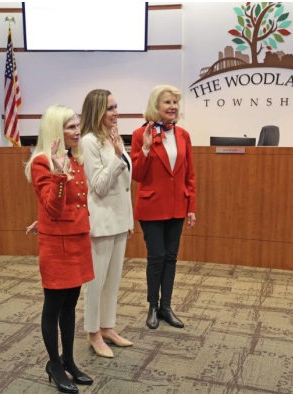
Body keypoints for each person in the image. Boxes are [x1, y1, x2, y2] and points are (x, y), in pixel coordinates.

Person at [24, 105, 94, 393]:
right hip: (57, 244)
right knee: (53, 307)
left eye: (77, 126)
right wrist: (59, 174)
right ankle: (54, 363)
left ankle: (69, 360)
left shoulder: (73, 158)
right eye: (70, 127)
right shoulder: (43, 162)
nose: (77, 131)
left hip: (77, 238)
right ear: (56, 130)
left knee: (70, 305)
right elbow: (53, 207)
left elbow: (75, 203)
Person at [130, 85, 196, 330]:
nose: (172, 107)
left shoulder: (183, 135)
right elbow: (137, 174)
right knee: (156, 258)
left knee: (171, 257)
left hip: (178, 205)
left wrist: (191, 206)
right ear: (155, 106)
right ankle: (152, 307)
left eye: (175, 103)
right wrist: (146, 148)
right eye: (167, 102)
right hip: (151, 206)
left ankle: (167, 307)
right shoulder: (140, 134)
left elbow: (190, 173)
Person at [80, 89, 134, 358]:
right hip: (101, 222)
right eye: (110, 108)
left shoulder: (114, 138)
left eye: (116, 106)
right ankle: (92, 333)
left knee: (112, 281)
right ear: (98, 111)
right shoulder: (88, 141)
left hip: (119, 220)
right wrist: (116, 155)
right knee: (96, 282)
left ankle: (107, 327)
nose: (116, 112)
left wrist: (129, 218)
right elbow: (99, 187)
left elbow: (125, 187)